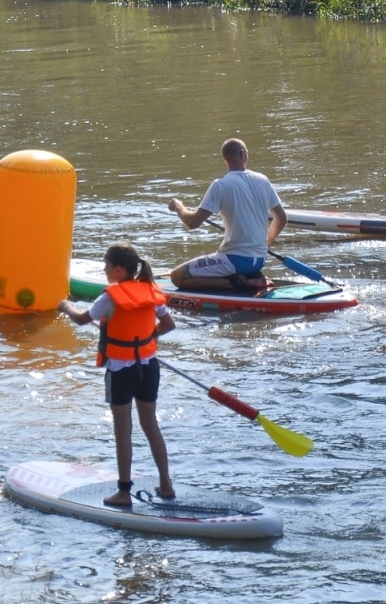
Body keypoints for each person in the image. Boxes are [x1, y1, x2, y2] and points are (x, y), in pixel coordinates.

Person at [58, 244, 176, 508]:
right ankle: (166, 484)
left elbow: (80, 319)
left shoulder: (110, 297)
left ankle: (123, 492)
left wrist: (65, 306)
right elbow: (168, 325)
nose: (104, 269)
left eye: (106, 265)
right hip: (148, 367)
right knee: (150, 426)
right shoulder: (150, 290)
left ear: (119, 269)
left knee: (123, 429)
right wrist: (145, 339)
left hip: (122, 370)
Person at [167, 138, 286, 292]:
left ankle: (237, 283)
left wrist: (178, 206)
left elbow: (192, 222)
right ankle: (250, 277)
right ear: (243, 154)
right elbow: (282, 219)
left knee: (176, 276)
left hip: (234, 261)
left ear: (225, 159)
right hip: (260, 260)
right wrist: (265, 245)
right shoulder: (263, 180)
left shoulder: (220, 185)